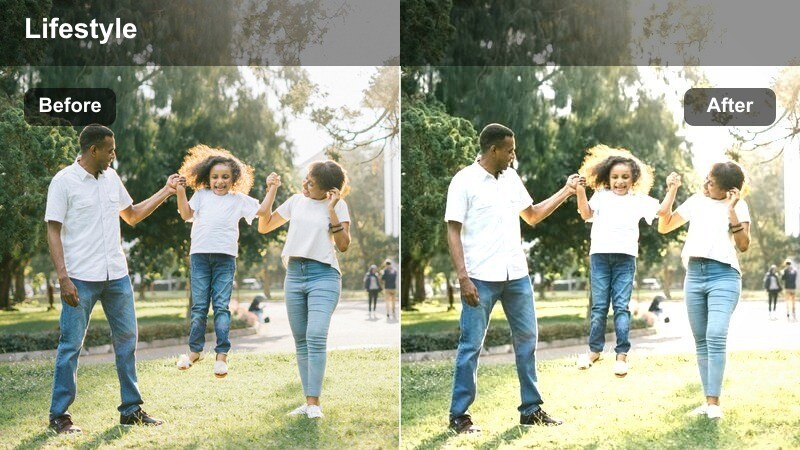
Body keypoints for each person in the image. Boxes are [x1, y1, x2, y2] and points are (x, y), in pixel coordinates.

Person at [445, 123, 579, 434]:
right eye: (509, 149)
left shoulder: (511, 177)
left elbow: (532, 215)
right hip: (479, 277)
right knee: (471, 346)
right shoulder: (463, 181)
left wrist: (566, 191)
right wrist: (463, 278)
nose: (513, 155)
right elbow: (453, 230)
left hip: (516, 275)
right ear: (493, 149)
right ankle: (459, 415)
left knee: (527, 341)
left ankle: (531, 410)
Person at [44, 124, 172, 433]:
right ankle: (59, 415)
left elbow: (132, 215)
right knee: (71, 345)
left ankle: (131, 409)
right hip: (80, 278)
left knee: (127, 340)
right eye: (110, 150)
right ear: (93, 150)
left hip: (116, 275)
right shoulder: (64, 181)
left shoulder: (111, 178)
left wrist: (166, 191)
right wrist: (63, 278)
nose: (114, 155)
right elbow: (53, 229)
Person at [573, 145, 680, 377]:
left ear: (633, 179)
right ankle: (594, 351)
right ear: (607, 178)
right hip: (600, 257)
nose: (619, 181)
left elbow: (662, 211)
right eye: (615, 177)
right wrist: (580, 191)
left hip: (625, 259)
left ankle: (621, 356)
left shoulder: (638, 200)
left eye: (624, 177)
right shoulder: (601, 196)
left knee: (621, 307)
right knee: (600, 307)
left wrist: (672, 189)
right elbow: (586, 214)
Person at [174, 145, 279, 377]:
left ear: (234, 179)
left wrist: (271, 189)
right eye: (214, 177)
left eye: (225, 177)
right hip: (200, 256)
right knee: (199, 307)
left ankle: (221, 356)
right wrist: (180, 191)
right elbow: (186, 214)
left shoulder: (238, 200)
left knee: (221, 306)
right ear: (207, 178)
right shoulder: (201, 195)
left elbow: (262, 211)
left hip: (225, 259)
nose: (219, 182)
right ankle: (194, 352)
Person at [258, 160, 351, 420]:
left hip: (324, 275)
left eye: (312, 183)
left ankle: (314, 404)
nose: (305, 185)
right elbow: (263, 226)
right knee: (301, 341)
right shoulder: (296, 201)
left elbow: (343, 245)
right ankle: (309, 402)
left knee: (316, 335)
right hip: (294, 275)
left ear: (329, 190)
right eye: (306, 179)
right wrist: (272, 190)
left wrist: (331, 210)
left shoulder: (339, 205)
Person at [658, 160, 751, 420]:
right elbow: (664, 227)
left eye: (712, 182)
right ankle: (709, 402)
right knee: (701, 341)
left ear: (729, 189)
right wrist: (673, 190)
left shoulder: (739, 205)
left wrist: (731, 210)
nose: (706, 184)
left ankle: (714, 403)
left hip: (724, 275)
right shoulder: (696, 201)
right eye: (707, 179)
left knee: (716, 334)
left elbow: (743, 245)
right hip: (695, 275)